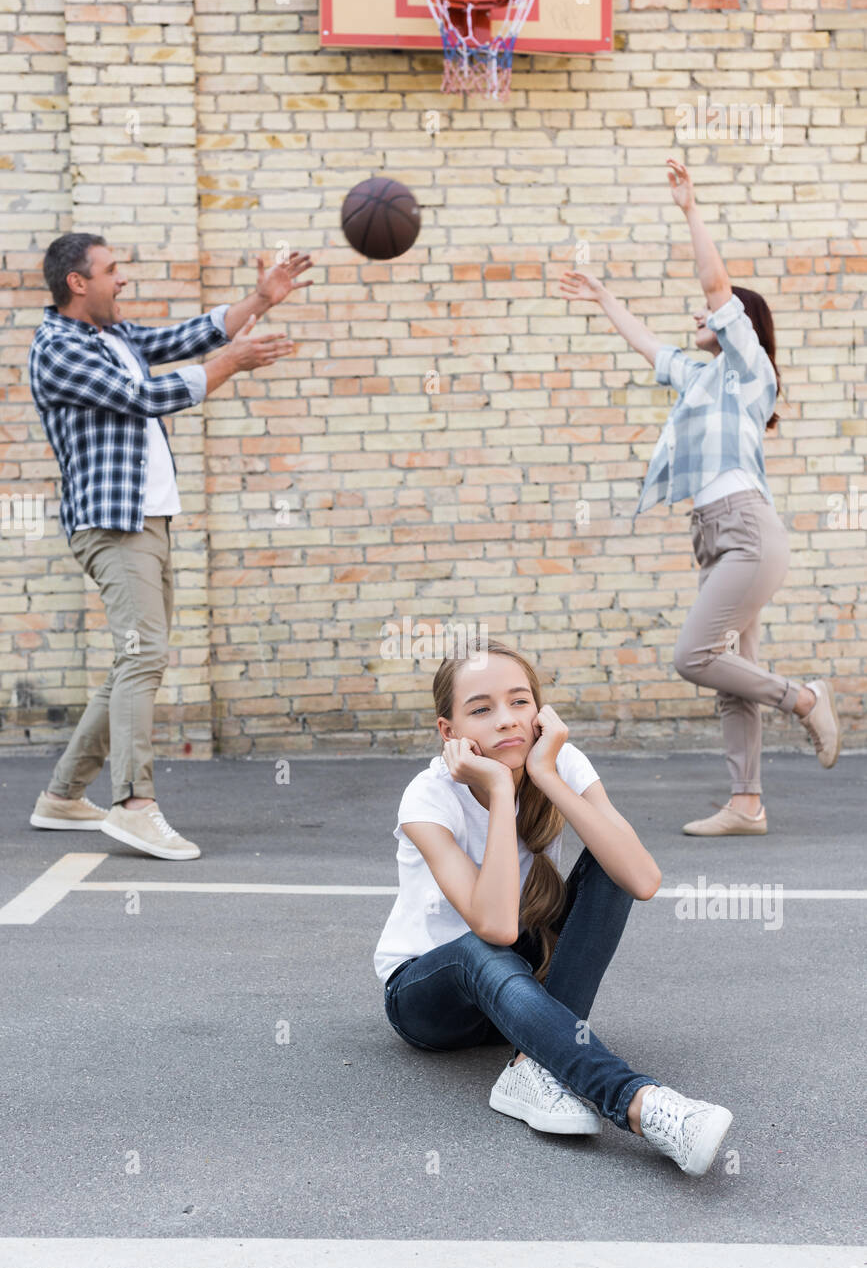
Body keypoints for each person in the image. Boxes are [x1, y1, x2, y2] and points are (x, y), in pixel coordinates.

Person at [374, 639, 735, 1177]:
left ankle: (530, 1065)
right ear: (448, 732)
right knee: (478, 949)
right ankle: (642, 1105)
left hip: (517, 983)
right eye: (481, 709)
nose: (506, 720)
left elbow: (641, 878)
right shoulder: (428, 797)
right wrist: (499, 789)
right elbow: (494, 927)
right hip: (430, 995)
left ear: (540, 711)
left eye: (520, 702)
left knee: (611, 867)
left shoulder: (559, 761)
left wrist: (543, 776)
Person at [560, 158, 841, 836]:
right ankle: (745, 803)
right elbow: (647, 345)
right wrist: (602, 299)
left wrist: (689, 209)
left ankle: (802, 698)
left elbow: (713, 284)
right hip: (715, 536)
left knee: (693, 658)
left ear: (737, 321)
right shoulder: (698, 377)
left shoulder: (751, 372)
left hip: (746, 531)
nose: (697, 312)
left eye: (711, 311)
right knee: (725, 671)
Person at [27, 233, 311, 859]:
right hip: (112, 524)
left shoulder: (115, 336)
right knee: (144, 655)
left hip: (149, 519)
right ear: (78, 282)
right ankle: (134, 804)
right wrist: (232, 364)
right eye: (111, 270)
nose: (122, 280)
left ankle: (63, 796)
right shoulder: (57, 349)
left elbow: (188, 338)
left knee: (136, 657)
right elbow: (142, 397)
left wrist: (259, 298)